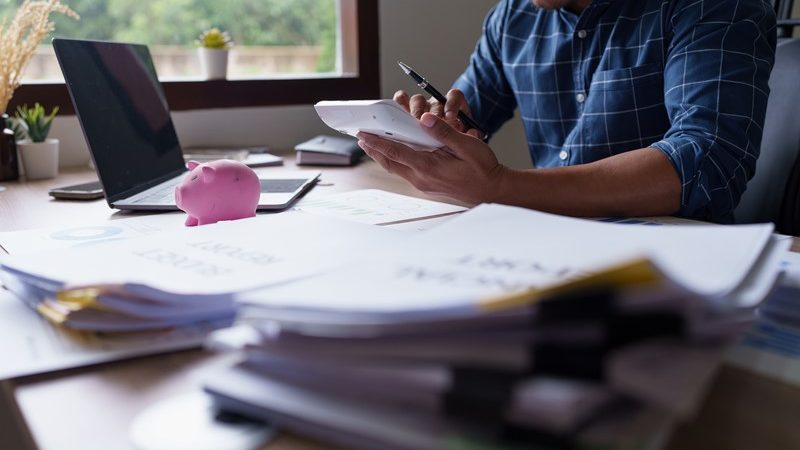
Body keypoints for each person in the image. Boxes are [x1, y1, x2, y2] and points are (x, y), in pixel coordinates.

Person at [356, 0, 777, 221]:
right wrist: (434, 135)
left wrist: (503, 187)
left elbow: (707, 164)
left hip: (675, 251)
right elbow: (465, 118)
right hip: (549, 242)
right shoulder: (513, 16)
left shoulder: (711, 5)